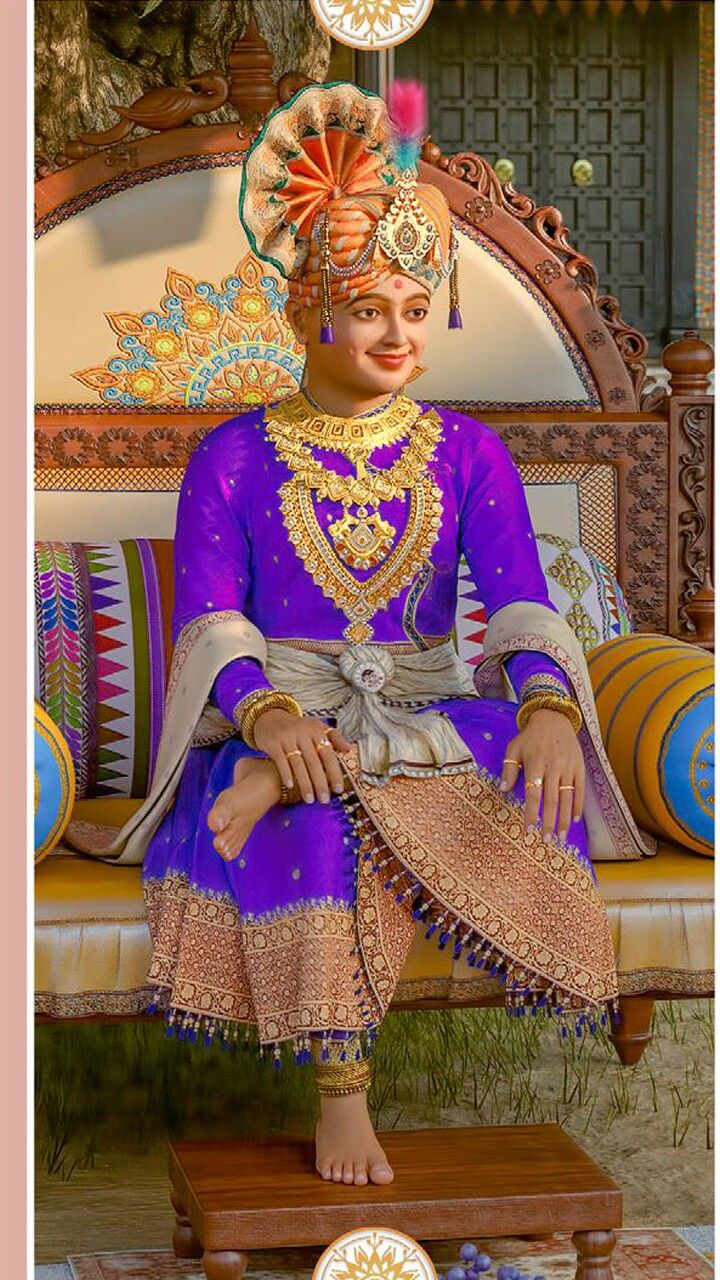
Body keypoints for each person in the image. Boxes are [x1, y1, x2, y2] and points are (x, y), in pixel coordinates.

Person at [73, 78, 654, 1188]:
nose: (399, 333)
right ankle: (343, 1092)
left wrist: (544, 705)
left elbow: (524, 600)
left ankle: (305, 777)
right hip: (274, 717)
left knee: (508, 750)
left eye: (417, 307)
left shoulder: (467, 450)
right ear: (308, 313)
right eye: (371, 306)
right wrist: (273, 714)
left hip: (433, 716)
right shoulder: (232, 459)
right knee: (313, 807)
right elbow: (210, 619)